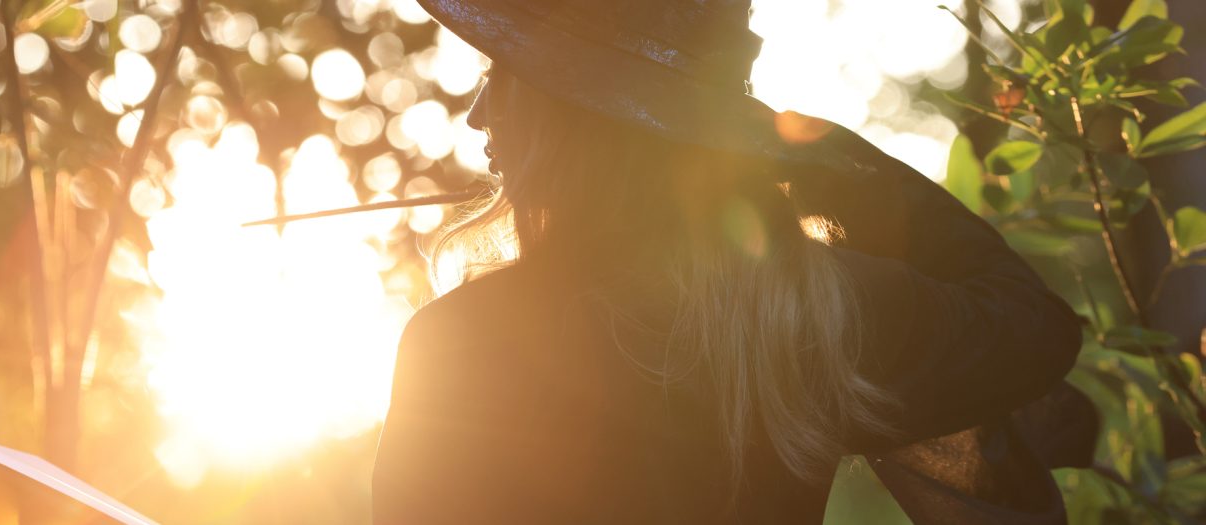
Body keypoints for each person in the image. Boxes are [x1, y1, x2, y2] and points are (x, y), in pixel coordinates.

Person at [371, 0, 1085, 523]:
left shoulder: (462, 341)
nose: (479, 115)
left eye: (504, 75)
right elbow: (1034, 326)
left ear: (571, 113)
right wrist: (843, 162)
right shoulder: (811, 316)